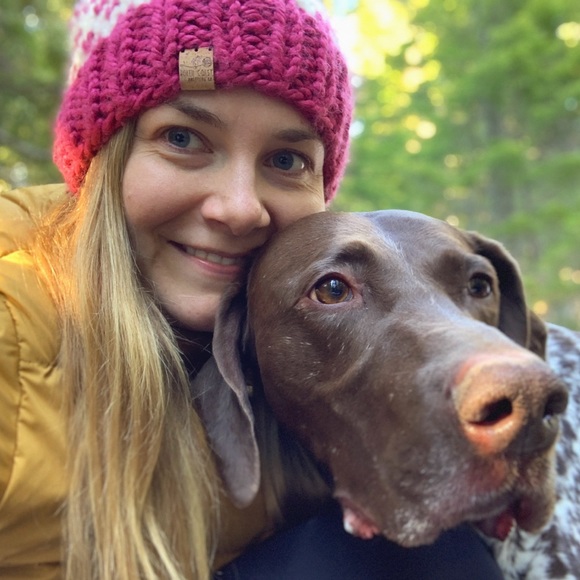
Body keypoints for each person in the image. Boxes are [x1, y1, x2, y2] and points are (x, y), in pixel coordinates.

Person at [0, 0, 504, 578]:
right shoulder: (14, 339)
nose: (239, 208)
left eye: (286, 160)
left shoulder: (315, 336)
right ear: (102, 163)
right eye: (183, 139)